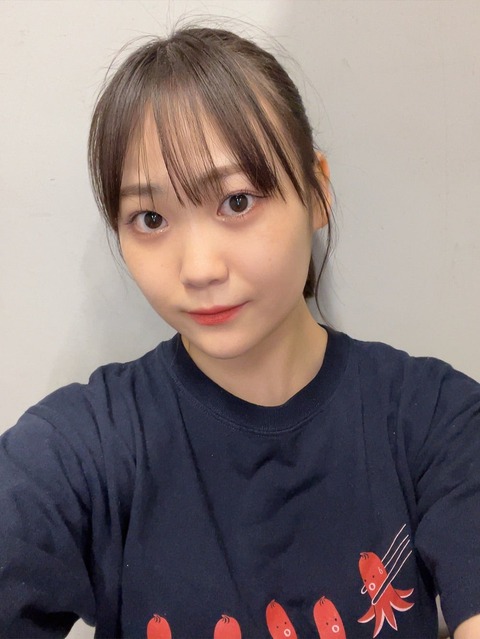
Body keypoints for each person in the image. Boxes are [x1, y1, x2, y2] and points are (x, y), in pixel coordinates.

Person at [0, 26, 479, 639]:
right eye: (150, 218)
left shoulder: (436, 421)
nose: (199, 269)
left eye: (237, 201)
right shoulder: (82, 449)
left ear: (317, 191)